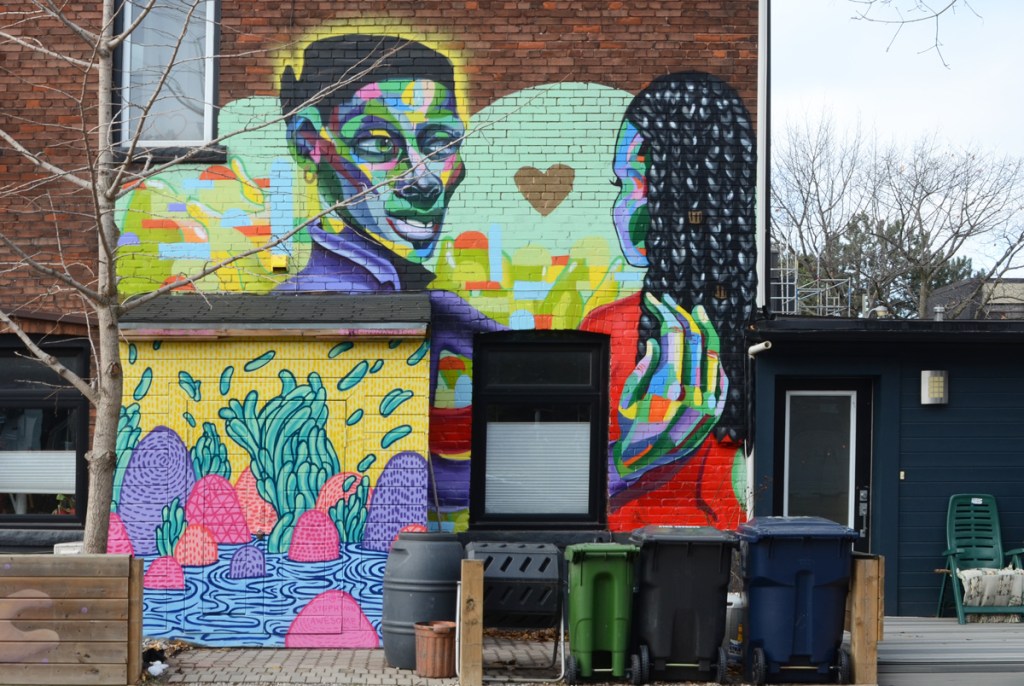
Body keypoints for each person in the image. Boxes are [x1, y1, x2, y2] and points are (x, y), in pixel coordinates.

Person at [582, 72, 757, 527]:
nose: (621, 206)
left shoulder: (753, 341)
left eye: (636, 180)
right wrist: (634, 454)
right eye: (620, 182)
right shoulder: (604, 328)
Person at [277, 34, 467, 292]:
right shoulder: (320, 301)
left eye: (440, 143)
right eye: (380, 145)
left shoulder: (442, 308)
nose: (424, 181)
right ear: (307, 145)